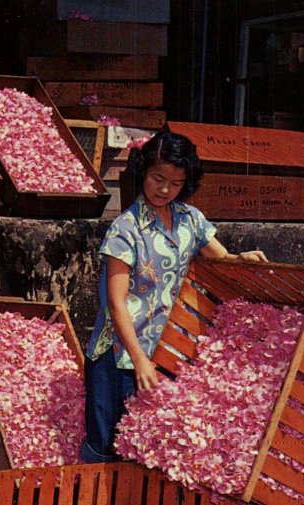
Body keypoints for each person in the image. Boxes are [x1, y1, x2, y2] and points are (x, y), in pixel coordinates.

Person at [80, 131, 268, 464]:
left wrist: (240, 260)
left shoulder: (189, 219)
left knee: (148, 446)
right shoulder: (126, 229)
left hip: (165, 349)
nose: (165, 189)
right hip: (121, 354)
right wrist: (138, 359)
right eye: (158, 178)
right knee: (109, 443)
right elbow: (116, 301)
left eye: (176, 182)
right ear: (143, 172)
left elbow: (217, 257)